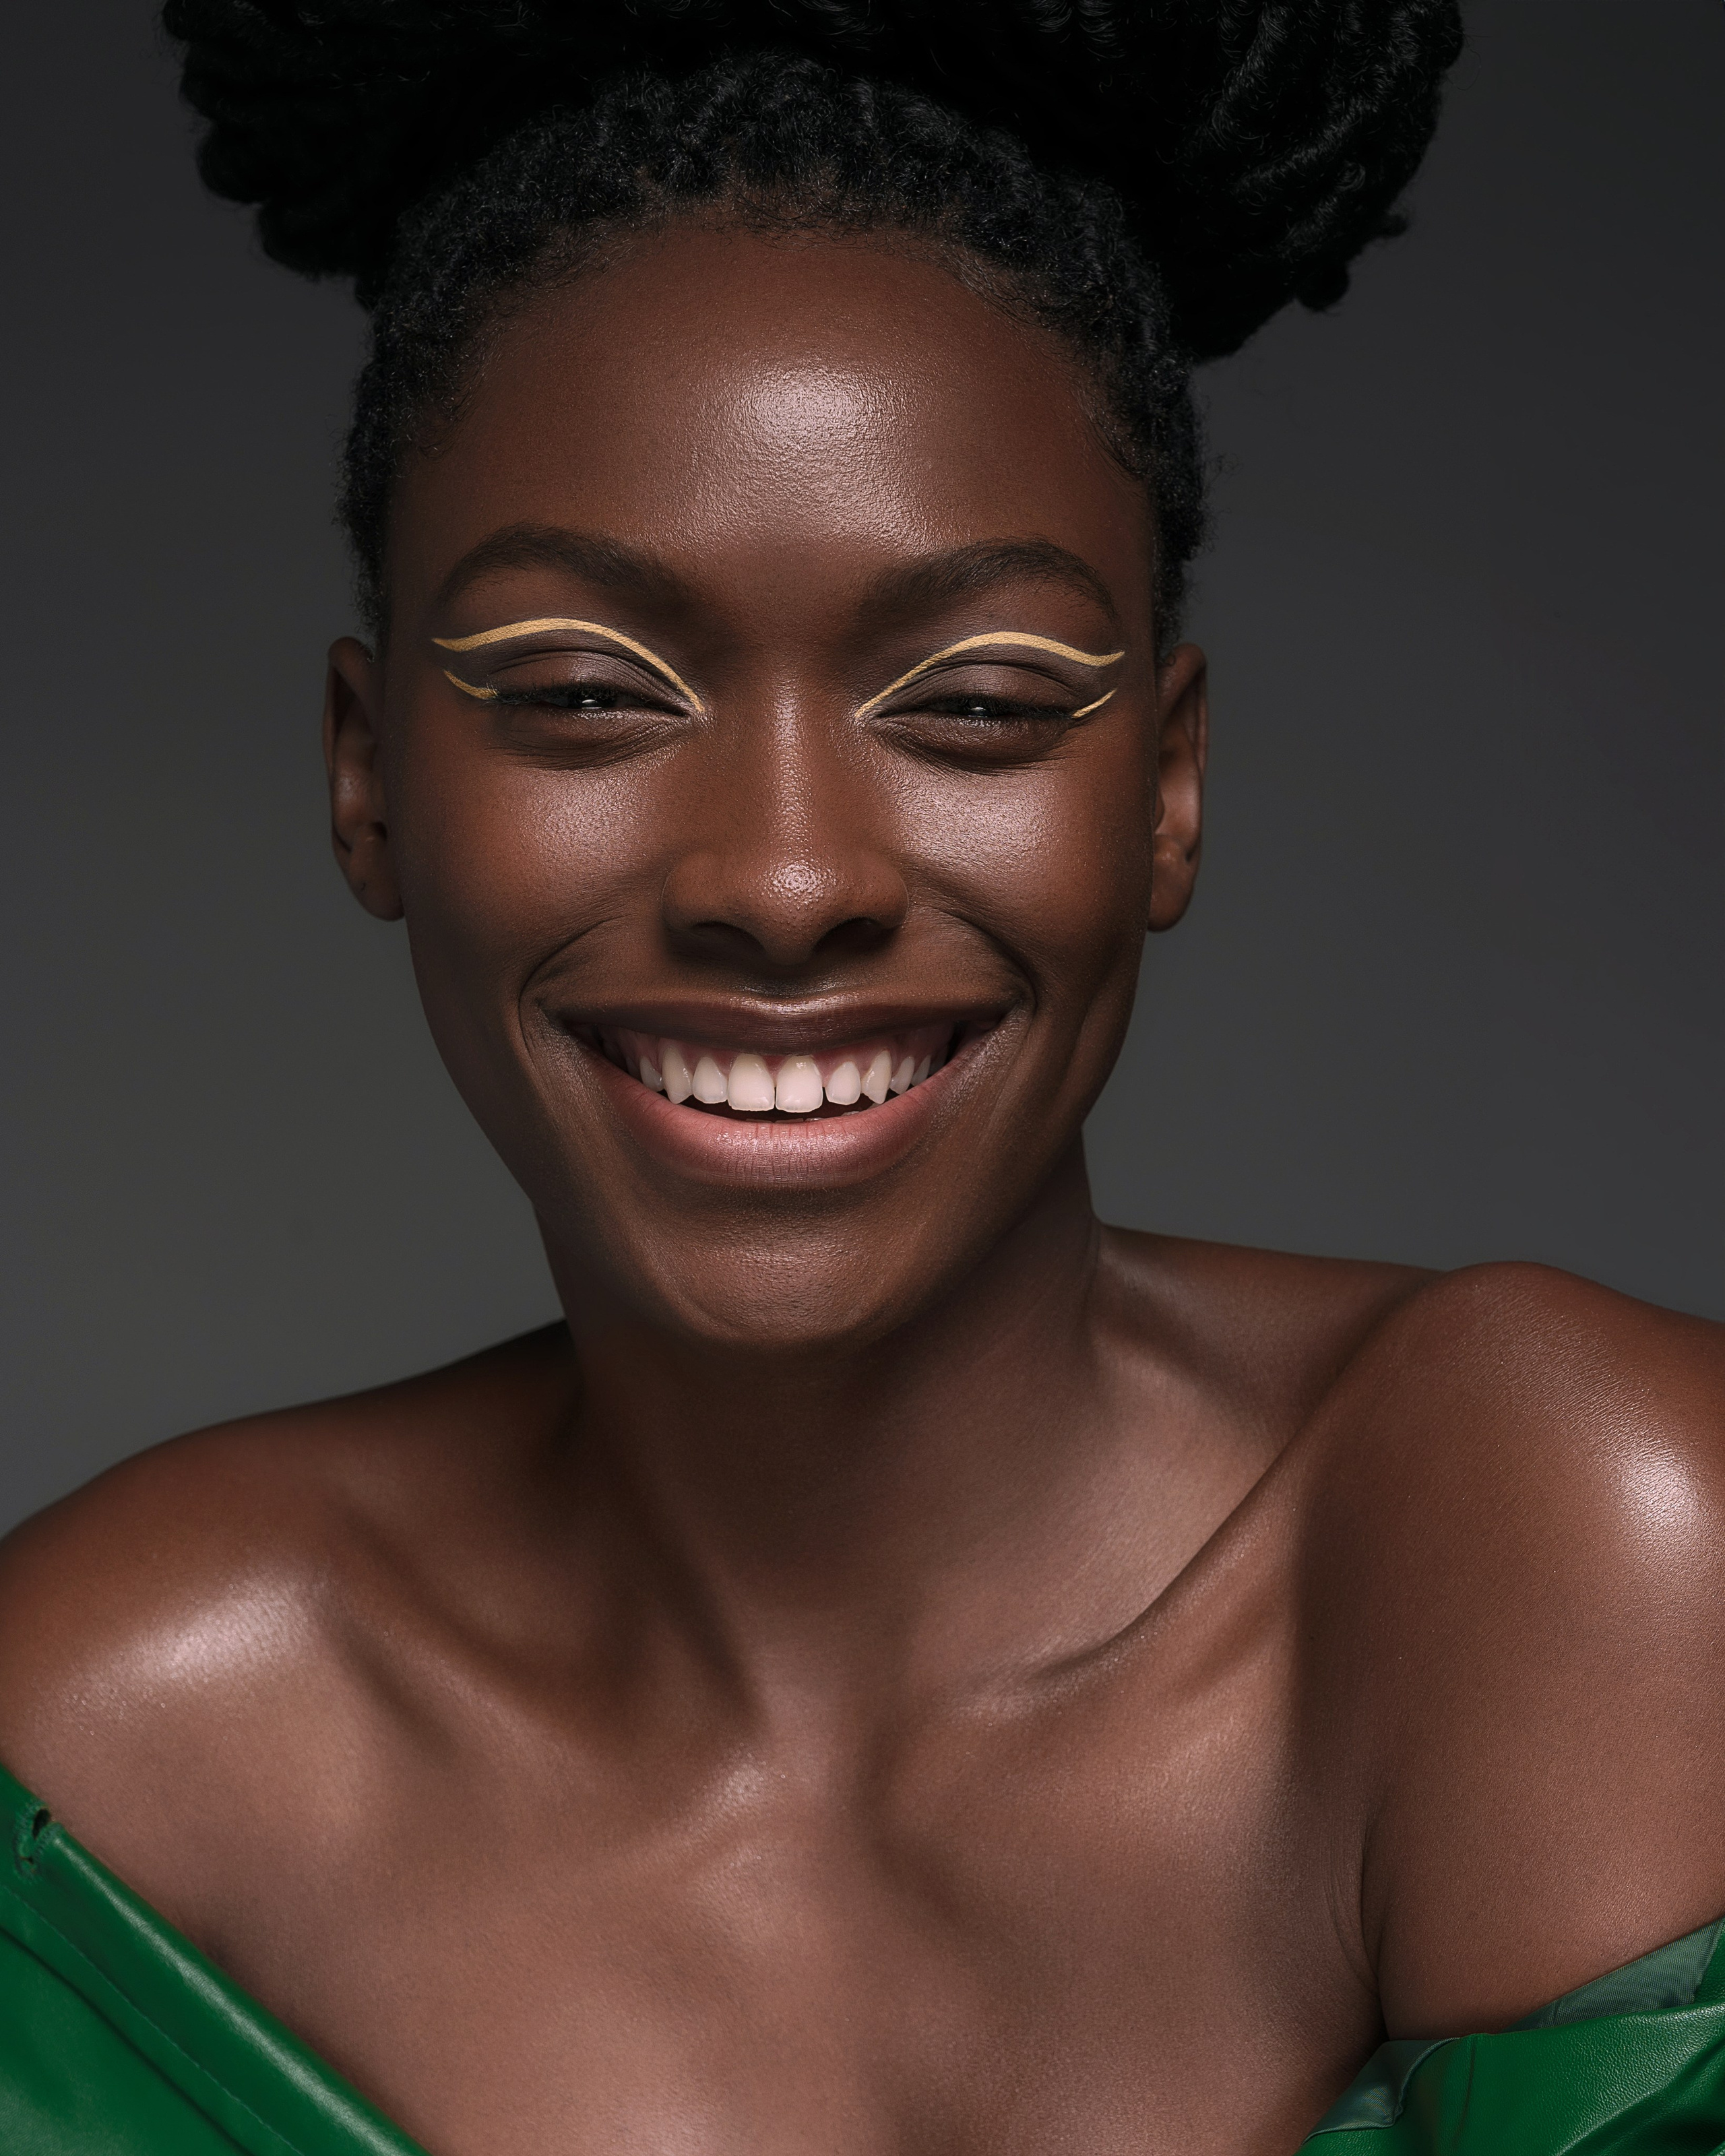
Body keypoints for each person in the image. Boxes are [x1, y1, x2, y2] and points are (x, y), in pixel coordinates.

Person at [1, 5, 1722, 2152]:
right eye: (581, 694)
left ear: (1168, 791)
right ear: (369, 781)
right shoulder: (105, 1766)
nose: (786, 878)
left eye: (983, 703)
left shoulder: (1564, 1554)